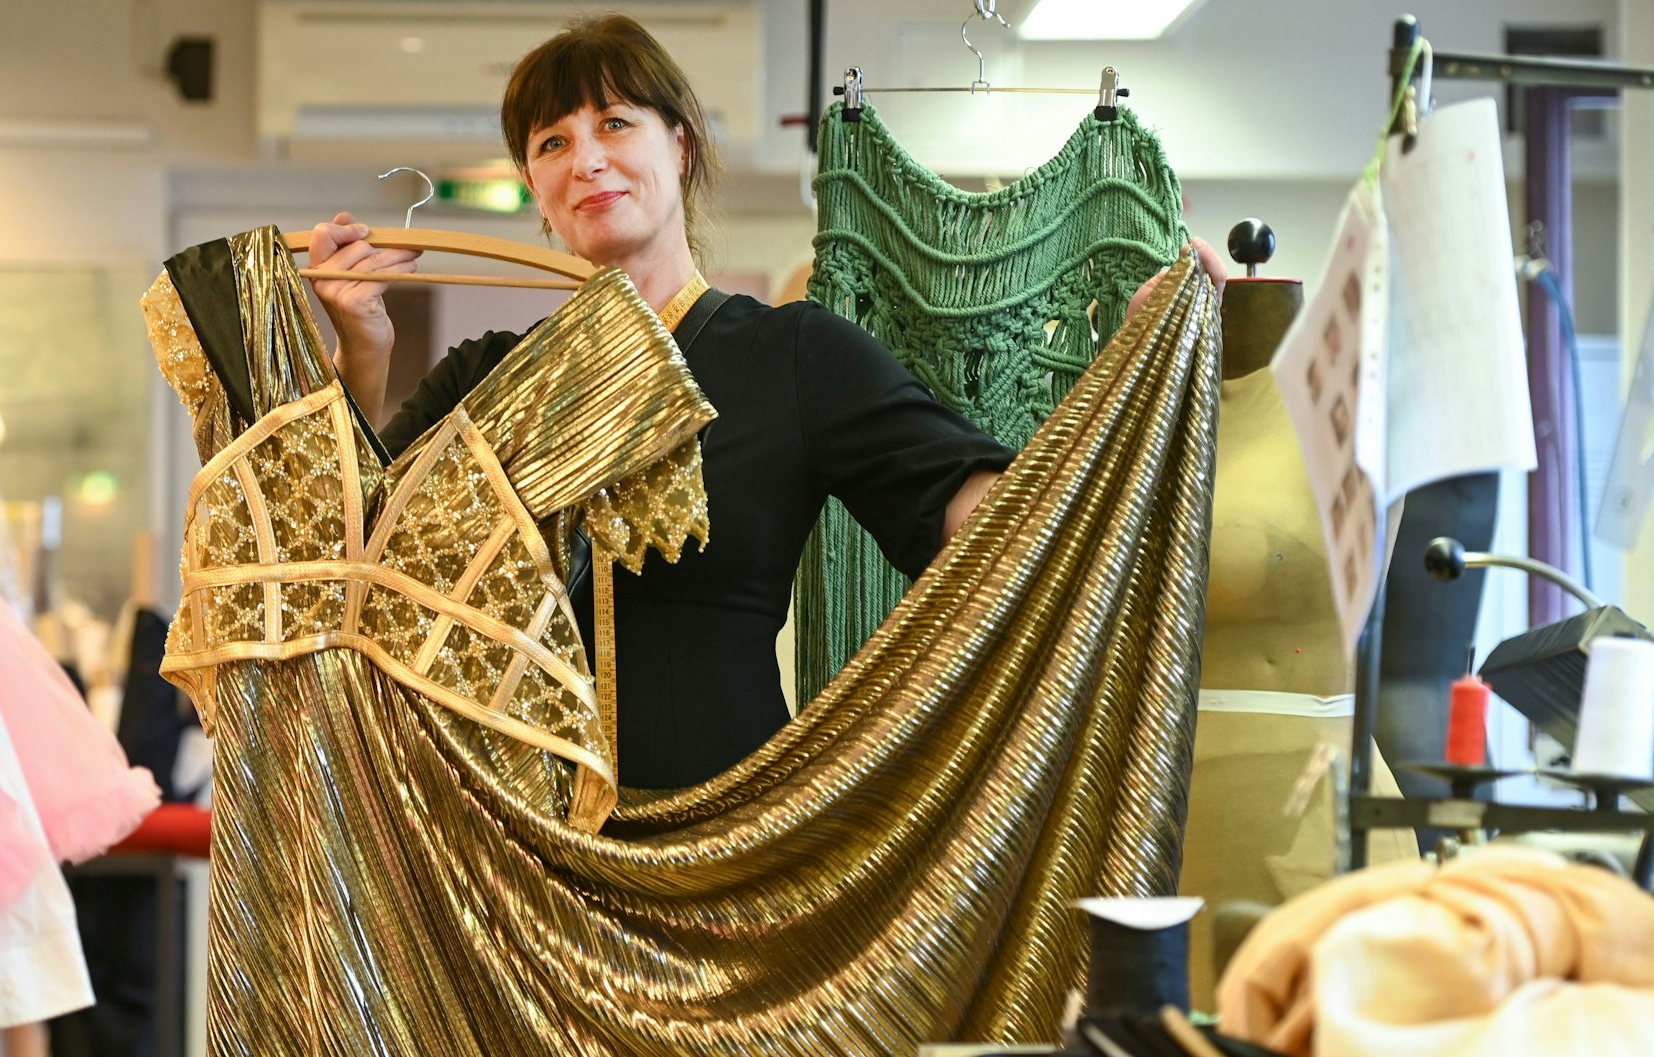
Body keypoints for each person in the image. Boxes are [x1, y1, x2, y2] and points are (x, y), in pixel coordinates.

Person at [305, 14, 1216, 789]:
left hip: (726, 853)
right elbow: (339, 558)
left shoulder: (793, 354)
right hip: (507, 851)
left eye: (615, 124)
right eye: (553, 143)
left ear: (681, 146)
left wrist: (1134, 375)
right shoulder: (483, 377)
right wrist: (364, 348)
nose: (587, 160)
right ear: (538, 195)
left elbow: (989, 521)